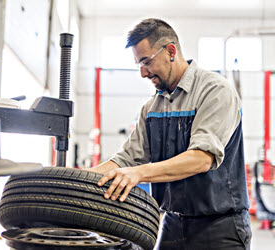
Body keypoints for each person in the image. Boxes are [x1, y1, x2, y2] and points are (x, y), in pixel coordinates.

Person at [89, 18, 252, 249]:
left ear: (171, 51)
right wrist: (79, 179)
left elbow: (201, 158)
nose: (143, 73)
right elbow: (125, 160)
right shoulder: (152, 108)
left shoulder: (215, 91)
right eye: (138, 65)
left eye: (146, 61)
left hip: (219, 225)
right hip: (172, 222)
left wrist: (138, 173)